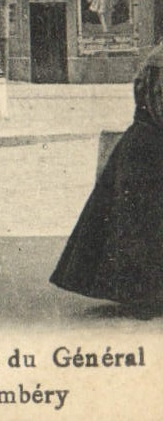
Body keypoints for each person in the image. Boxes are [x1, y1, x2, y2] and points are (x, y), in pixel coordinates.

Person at [50, 41, 163, 313]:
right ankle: (147, 296)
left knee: (133, 224)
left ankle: (141, 294)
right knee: (146, 225)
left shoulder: (154, 58)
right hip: (154, 149)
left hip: (139, 144)